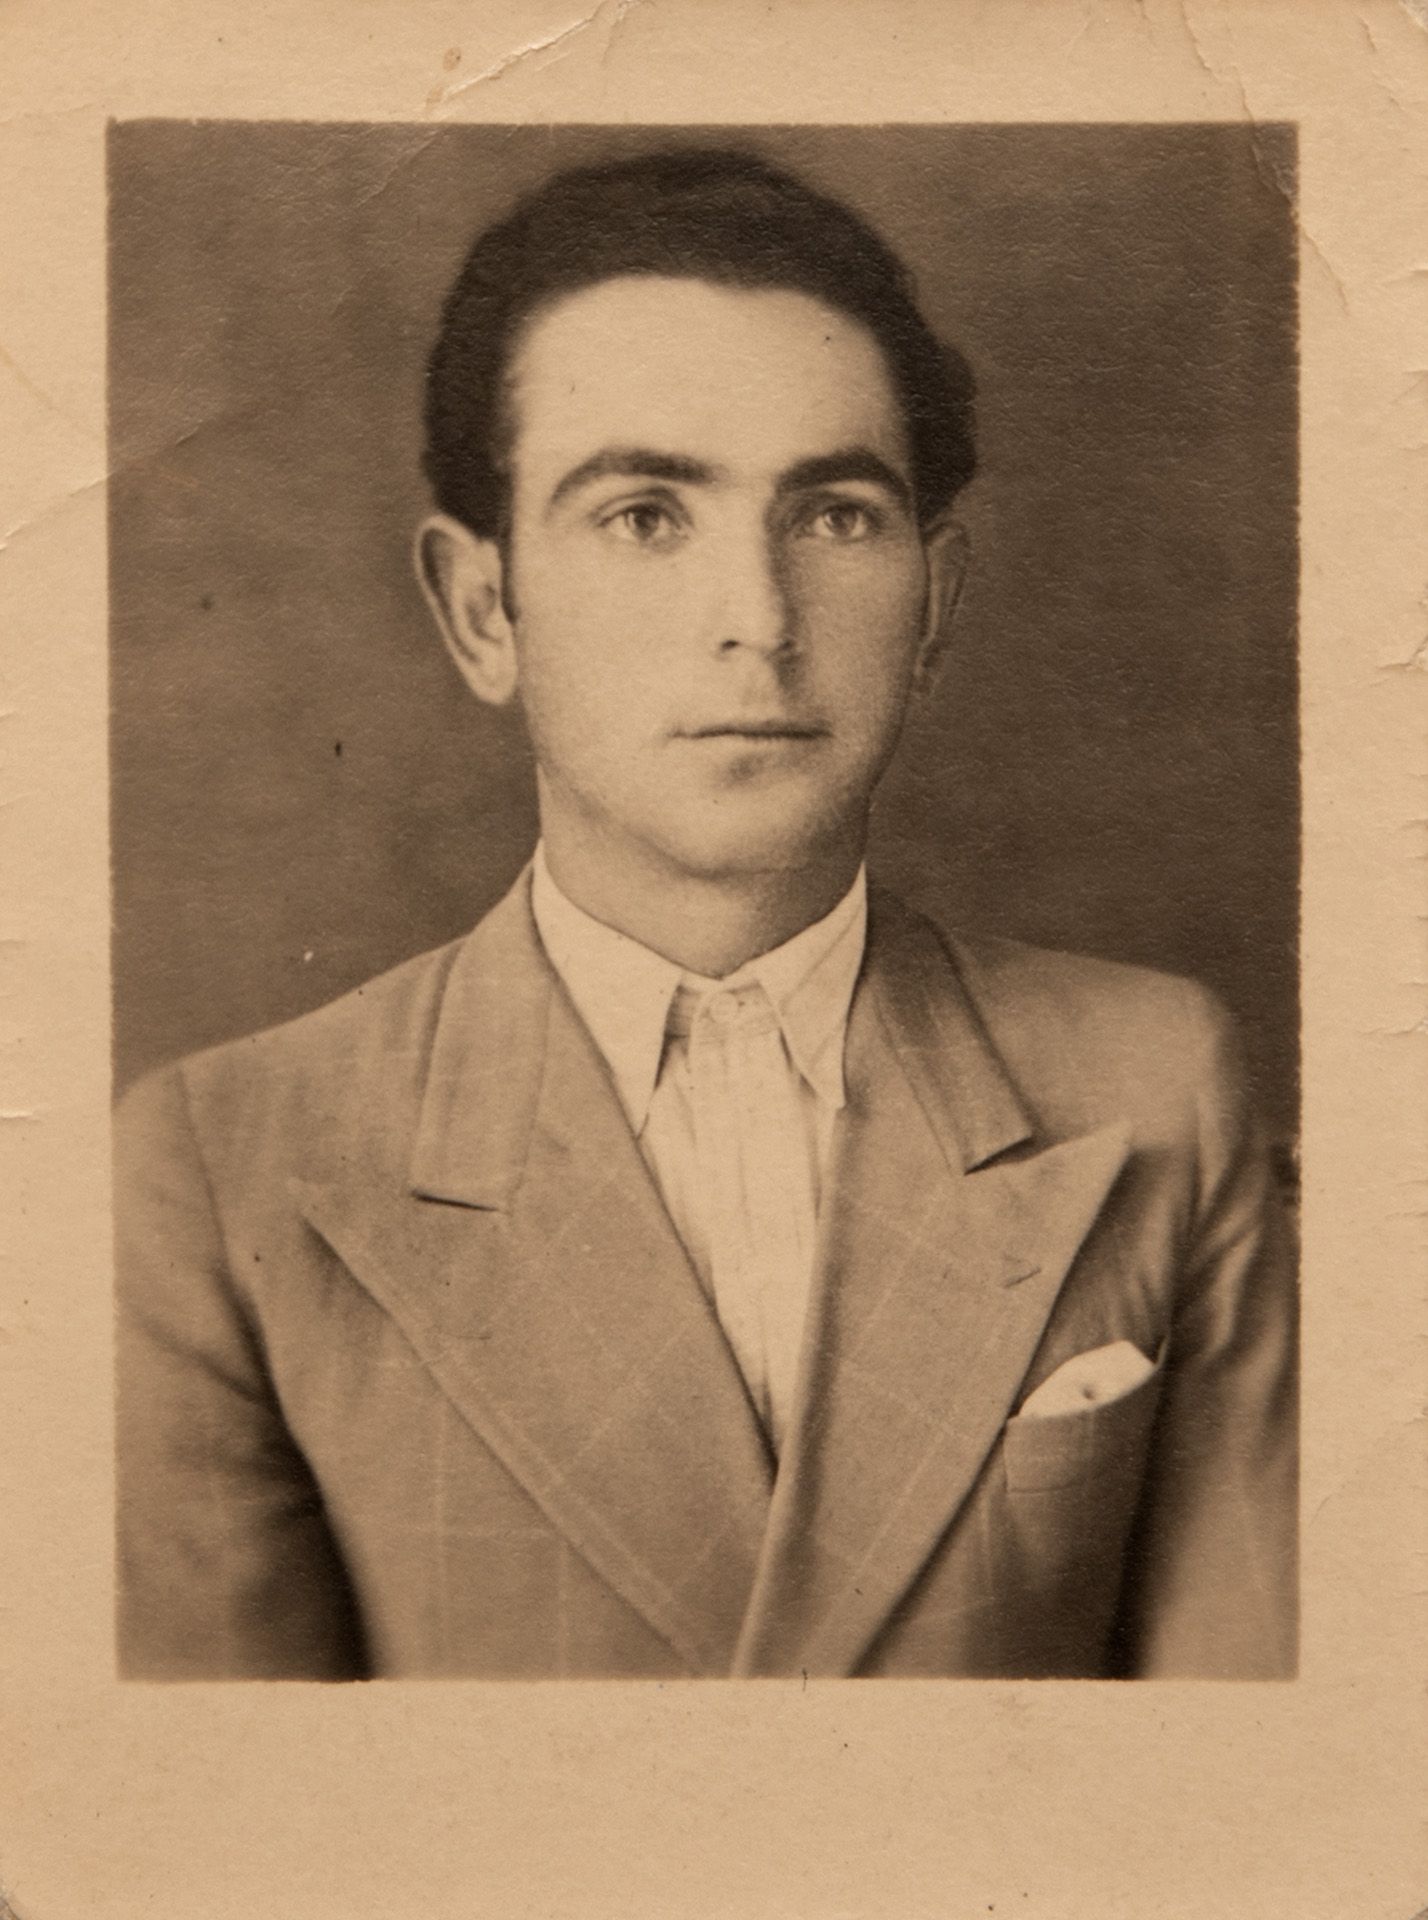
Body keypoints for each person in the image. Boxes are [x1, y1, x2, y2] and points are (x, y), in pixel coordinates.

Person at [114, 147, 1297, 1681]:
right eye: (644, 515)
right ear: (482, 610)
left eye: (837, 516)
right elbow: (227, 1816)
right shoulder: (223, 1170)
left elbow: (1246, 1783)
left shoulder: (1154, 1083)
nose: (758, 618)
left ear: (935, 608)